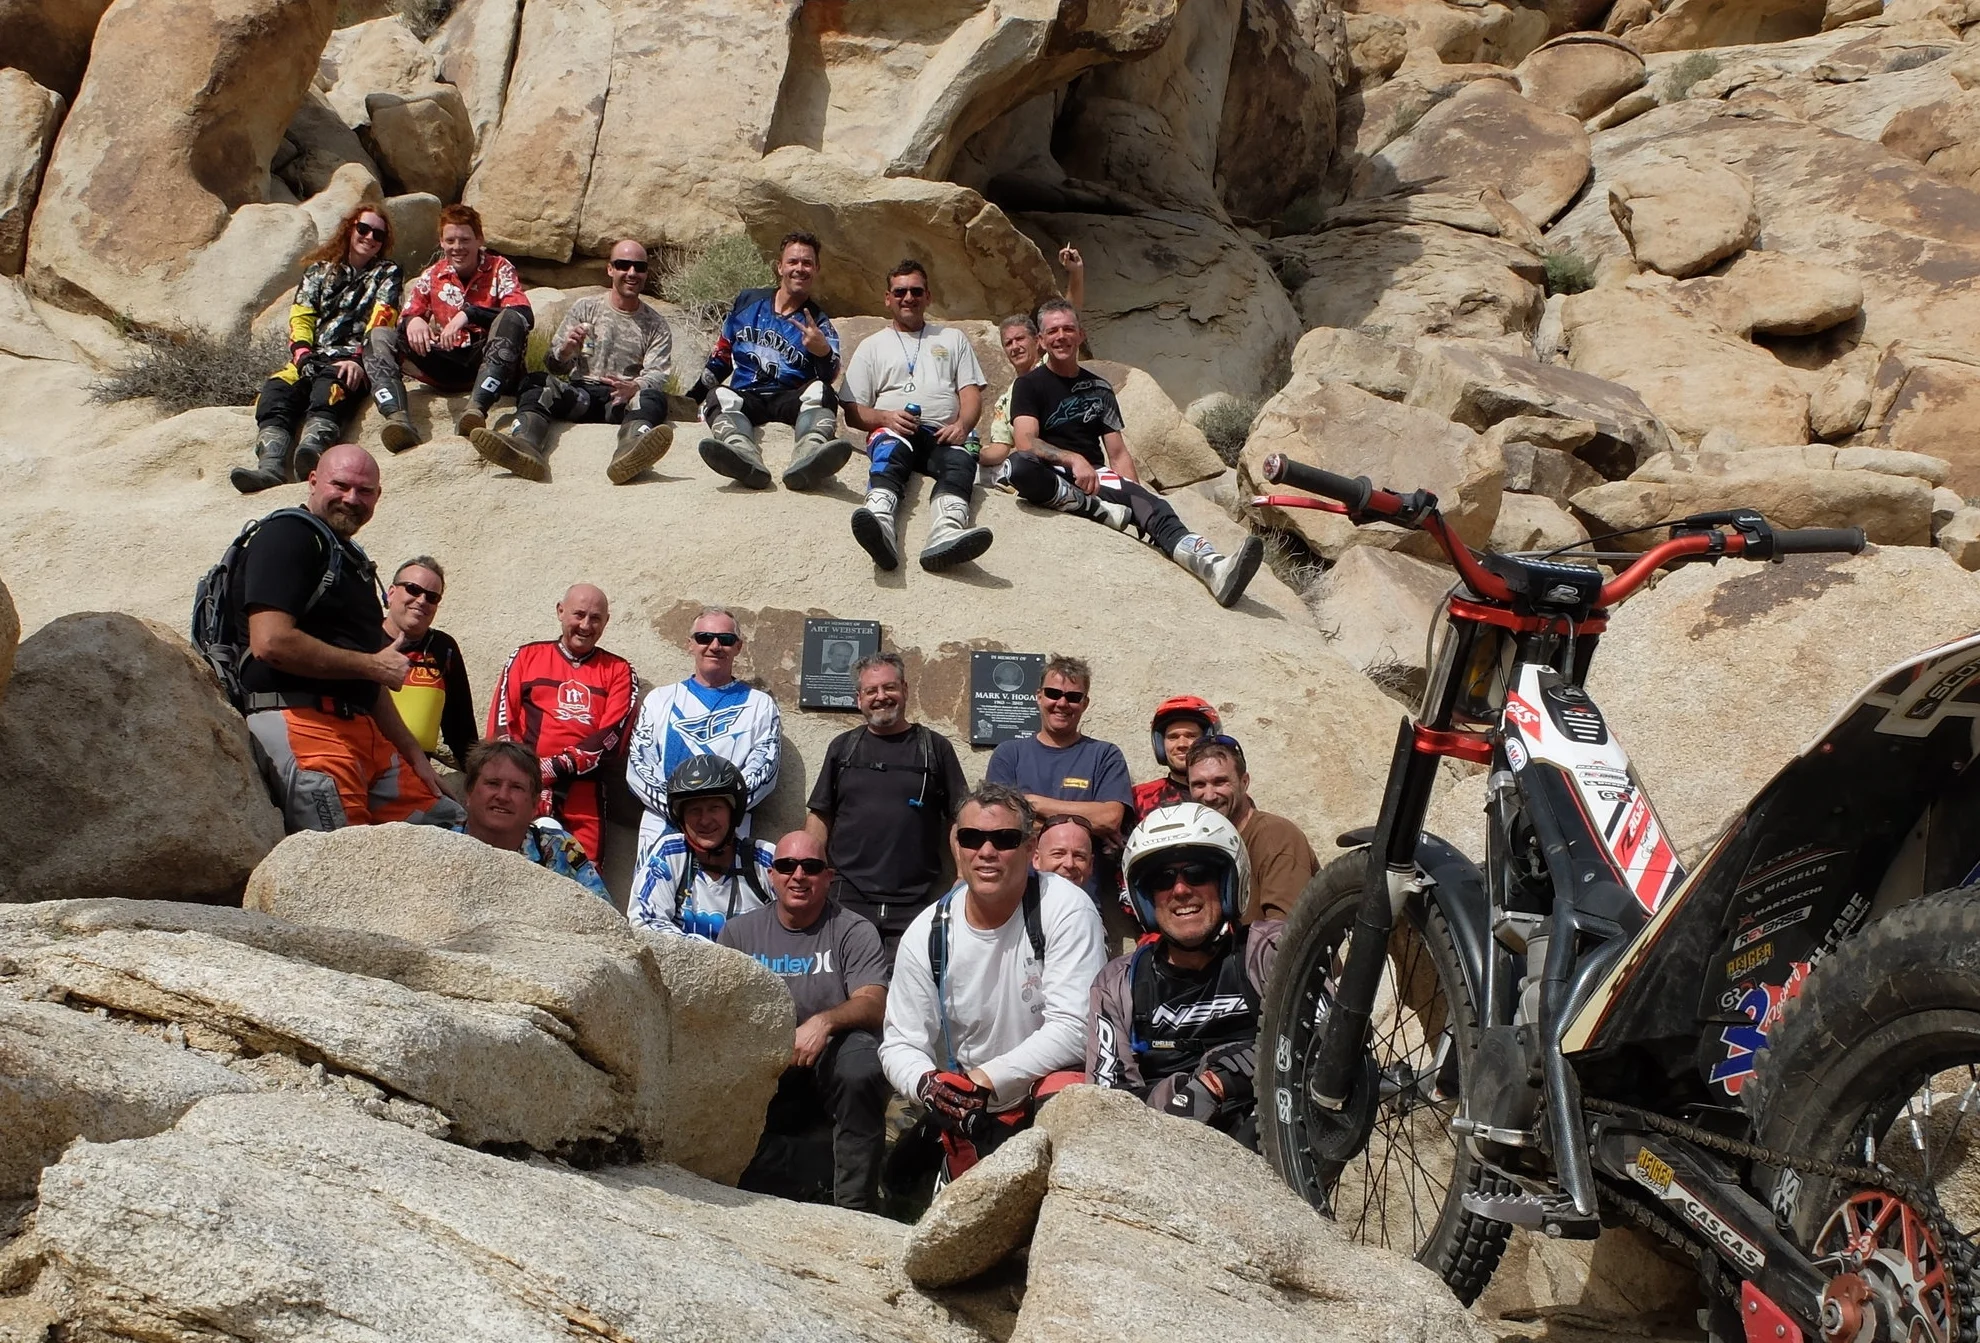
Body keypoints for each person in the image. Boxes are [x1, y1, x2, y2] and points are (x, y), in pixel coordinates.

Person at [879, 785, 1106, 1167]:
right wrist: (929, 1085)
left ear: (1030, 849)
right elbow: (900, 1042)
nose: (986, 851)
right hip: (969, 1105)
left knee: (1068, 1092)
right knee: (901, 1175)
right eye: (972, 838)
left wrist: (985, 1079)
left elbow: (1076, 1027)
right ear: (957, 846)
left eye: (1004, 839)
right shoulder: (927, 933)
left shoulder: (1066, 908)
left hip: (1040, 1090)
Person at [239, 443, 456, 831]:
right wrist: (372, 665)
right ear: (312, 481)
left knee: (449, 827)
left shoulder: (350, 559)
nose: (352, 499)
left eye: (365, 491)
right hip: (305, 726)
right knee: (345, 854)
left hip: (366, 735)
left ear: (378, 496)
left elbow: (371, 679)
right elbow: (270, 642)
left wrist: (414, 755)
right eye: (340, 485)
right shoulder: (287, 535)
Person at [1002, 301, 1264, 608]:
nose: (1061, 336)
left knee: (1153, 506)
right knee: (1019, 466)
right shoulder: (1028, 385)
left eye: (1068, 329)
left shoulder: (1099, 388)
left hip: (1095, 477)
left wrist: (1134, 496)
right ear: (1041, 341)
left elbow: (1117, 453)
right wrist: (1072, 458)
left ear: (1081, 335)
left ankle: (1213, 568)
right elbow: (1026, 441)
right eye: (1053, 331)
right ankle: (1090, 507)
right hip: (1051, 472)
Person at [1086, 802, 1280, 1144]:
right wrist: (1188, 1091)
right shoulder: (1118, 983)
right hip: (1164, 1153)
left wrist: (1229, 1078)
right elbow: (1108, 1111)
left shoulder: (1269, 951)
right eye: (1163, 879)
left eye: (1197, 873)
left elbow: (1326, 1050)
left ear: (1227, 882)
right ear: (1146, 897)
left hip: (1272, 1143)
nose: (1180, 890)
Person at [719, 831, 890, 1211]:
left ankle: (855, 1206)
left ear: (828, 877)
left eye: (810, 867)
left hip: (831, 1059)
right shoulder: (738, 933)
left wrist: (823, 1023)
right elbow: (723, 1015)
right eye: (786, 866)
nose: (798, 875)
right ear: (771, 875)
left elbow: (873, 1002)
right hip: (766, 1065)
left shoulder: (853, 930)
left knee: (862, 1066)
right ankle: (812, 1173)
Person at [468, 239, 674, 486]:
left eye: (639, 267)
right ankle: (524, 444)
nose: (631, 273)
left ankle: (631, 449)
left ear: (646, 273)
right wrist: (565, 352)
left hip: (621, 402)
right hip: (581, 397)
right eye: (623, 265)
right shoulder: (586, 308)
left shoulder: (656, 324)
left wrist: (635, 386)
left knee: (653, 398)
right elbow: (553, 364)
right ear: (610, 269)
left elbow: (657, 373)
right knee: (536, 382)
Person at [804, 653, 969, 957]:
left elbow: (960, 818)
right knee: (846, 980)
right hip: (846, 899)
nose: (881, 697)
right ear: (859, 699)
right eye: (871, 691)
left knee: (911, 984)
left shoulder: (935, 748)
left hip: (917, 901)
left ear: (905, 689)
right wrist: (809, 869)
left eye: (889, 687)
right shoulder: (843, 748)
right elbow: (820, 815)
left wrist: (962, 875)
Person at [233, 205, 403, 493]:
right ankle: (270, 467)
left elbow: (383, 317)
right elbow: (302, 316)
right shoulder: (319, 271)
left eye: (378, 234)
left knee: (331, 387)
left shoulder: (387, 273)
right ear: (350, 229)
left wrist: (359, 360)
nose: (370, 237)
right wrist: (301, 354)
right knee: (276, 390)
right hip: (311, 357)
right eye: (363, 229)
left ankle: (311, 454)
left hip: (351, 359)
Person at [839, 259, 992, 572]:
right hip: (895, 431)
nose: (908, 297)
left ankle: (946, 531)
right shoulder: (871, 346)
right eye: (900, 292)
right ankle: (880, 523)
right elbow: (853, 412)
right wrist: (885, 418)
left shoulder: (952, 339)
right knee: (890, 450)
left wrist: (963, 425)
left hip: (942, 434)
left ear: (928, 296)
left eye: (916, 291)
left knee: (960, 461)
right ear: (887, 298)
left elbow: (970, 393)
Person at [686, 231, 852, 492]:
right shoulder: (748, 302)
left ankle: (809, 454)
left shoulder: (818, 322)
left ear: (816, 269)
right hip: (747, 397)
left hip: (789, 400)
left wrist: (822, 351)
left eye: (807, 263)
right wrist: (691, 399)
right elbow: (722, 356)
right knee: (717, 395)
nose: (800, 269)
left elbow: (829, 375)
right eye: (793, 262)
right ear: (780, 267)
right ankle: (741, 455)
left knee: (822, 392)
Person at [485, 584, 639, 862]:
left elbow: (613, 737)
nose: (585, 625)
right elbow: (501, 724)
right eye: (578, 614)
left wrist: (553, 768)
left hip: (584, 795)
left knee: (584, 878)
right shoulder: (526, 657)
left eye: (595, 618)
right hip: (522, 787)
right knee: (510, 868)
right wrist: (527, 775)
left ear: (606, 621)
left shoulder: (619, 670)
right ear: (560, 611)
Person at [363, 202, 532, 450]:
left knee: (511, 319)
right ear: (441, 242)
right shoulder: (433, 274)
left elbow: (524, 313)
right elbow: (408, 312)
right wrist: (412, 320)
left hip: (488, 361)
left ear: (480, 240)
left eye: (465, 240)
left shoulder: (500, 268)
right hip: (445, 360)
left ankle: (476, 410)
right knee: (378, 335)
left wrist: (469, 314)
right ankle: (396, 418)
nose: (457, 247)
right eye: (450, 240)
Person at [627, 608, 782, 864]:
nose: (715, 646)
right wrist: (682, 811)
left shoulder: (760, 705)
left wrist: (714, 816)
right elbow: (639, 766)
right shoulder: (659, 699)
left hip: (727, 838)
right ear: (690, 644)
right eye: (704, 638)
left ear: (739, 647)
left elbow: (763, 772)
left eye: (726, 639)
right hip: (662, 834)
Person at [629, 756, 776, 940]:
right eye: (694, 810)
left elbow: (801, 922)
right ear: (680, 818)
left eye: (714, 808)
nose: (705, 820)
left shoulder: (763, 858)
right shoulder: (670, 852)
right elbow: (643, 920)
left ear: (734, 812)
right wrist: (711, 953)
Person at [452, 740, 608, 898]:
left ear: (535, 804)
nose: (503, 796)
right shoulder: (444, 842)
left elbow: (600, 910)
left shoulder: (558, 848)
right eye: (493, 783)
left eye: (517, 787)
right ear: (469, 793)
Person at [1187, 735, 1318, 923]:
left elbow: (1286, 931)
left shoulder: (1275, 837)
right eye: (1199, 785)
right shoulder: (1198, 843)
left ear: (1244, 782)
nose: (1209, 796)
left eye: (1220, 782)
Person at [980, 243, 1085, 462]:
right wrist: (969, 453)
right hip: (1034, 466)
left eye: (1020, 339)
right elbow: (999, 448)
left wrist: (1076, 272)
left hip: (1071, 458)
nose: (1015, 346)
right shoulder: (1004, 401)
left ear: (1038, 341)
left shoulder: (1052, 364)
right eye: (1008, 343)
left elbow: (1068, 315)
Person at [381, 556, 477, 768]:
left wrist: (480, 774)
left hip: (414, 773)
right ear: (391, 593)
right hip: (359, 764)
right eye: (413, 589)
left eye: (432, 597)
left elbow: (462, 732)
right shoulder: (362, 638)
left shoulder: (444, 648)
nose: (422, 600)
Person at [1133, 695, 1221, 822]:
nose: (1181, 744)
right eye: (1173, 737)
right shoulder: (1140, 798)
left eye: (1191, 736)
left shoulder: (1226, 795)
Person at [1034, 814, 1096, 896]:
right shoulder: (1018, 902)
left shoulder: (1088, 904)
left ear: (1090, 864)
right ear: (1036, 859)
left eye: (1078, 856)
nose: (1069, 864)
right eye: (1058, 854)